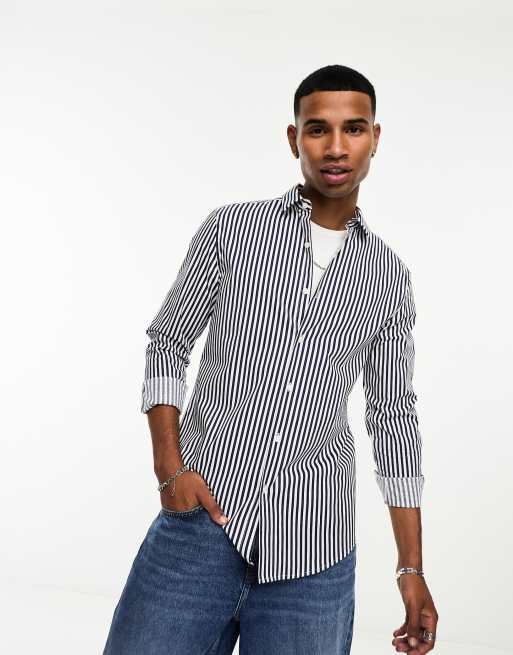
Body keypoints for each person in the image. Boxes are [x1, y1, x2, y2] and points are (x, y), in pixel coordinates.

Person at [102, 64, 439, 654]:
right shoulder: (232, 229)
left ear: (375, 138)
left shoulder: (390, 275)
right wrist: (169, 469)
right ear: (294, 138)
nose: (336, 147)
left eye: (354, 128)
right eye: (318, 129)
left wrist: (410, 568)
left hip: (314, 554)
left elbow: (392, 419)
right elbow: (168, 341)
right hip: (200, 527)